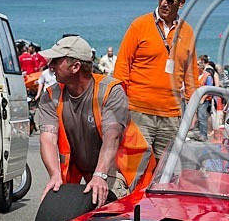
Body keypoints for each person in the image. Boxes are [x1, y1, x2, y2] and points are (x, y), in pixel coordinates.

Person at [37, 36, 155, 208]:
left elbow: (112, 136)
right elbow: (47, 138)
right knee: (63, 209)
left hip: (123, 167)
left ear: (76, 67)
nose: (50, 66)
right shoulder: (50, 96)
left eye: (56, 61)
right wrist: (55, 175)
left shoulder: (110, 91)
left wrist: (100, 174)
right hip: (86, 168)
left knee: (105, 206)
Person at [115, 0, 198, 160]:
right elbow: (122, 68)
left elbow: (191, 76)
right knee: (134, 168)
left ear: (182, 3)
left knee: (164, 171)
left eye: (170, 0)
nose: (164, 3)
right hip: (138, 111)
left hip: (171, 114)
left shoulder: (188, 32)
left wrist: (194, 111)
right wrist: (120, 106)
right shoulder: (139, 25)